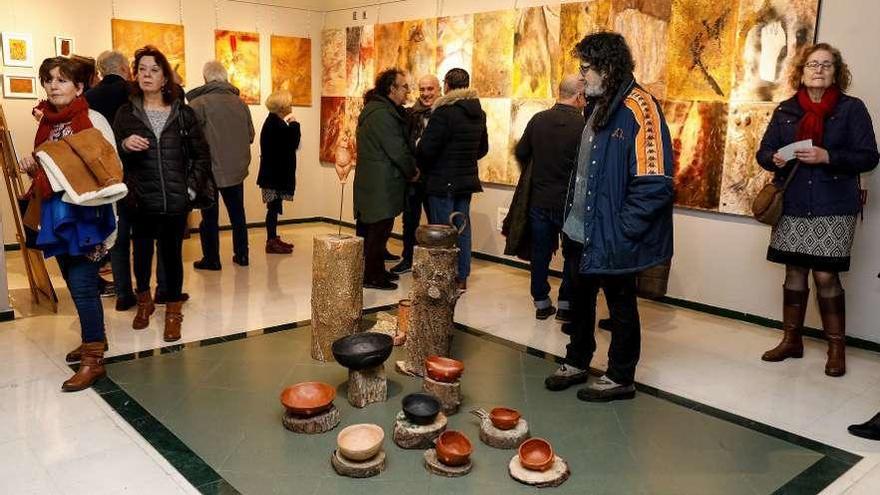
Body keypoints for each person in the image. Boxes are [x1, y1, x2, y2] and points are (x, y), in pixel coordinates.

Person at [543, 32, 674, 402]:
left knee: (620, 307)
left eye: (586, 68)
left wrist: (622, 230)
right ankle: (577, 360)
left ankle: (620, 376)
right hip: (581, 230)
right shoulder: (596, 106)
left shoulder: (641, 108)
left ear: (608, 67)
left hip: (612, 234)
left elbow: (655, 183)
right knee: (579, 301)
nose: (581, 76)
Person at [757, 43, 878, 377]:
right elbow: (763, 152)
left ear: (836, 72)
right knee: (794, 271)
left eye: (827, 64)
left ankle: (836, 349)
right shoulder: (785, 110)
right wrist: (774, 158)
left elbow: (869, 157)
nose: (819, 70)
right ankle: (791, 341)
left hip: (834, 203)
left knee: (826, 274)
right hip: (793, 202)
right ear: (801, 71)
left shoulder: (852, 109)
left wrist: (829, 157)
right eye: (813, 64)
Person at [20, 57, 123, 391]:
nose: (53, 85)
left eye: (62, 80)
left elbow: (110, 168)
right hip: (57, 215)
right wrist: (32, 166)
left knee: (81, 284)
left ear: (79, 87)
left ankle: (94, 360)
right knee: (74, 281)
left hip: (87, 217)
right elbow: (52, 168)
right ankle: (95, 340)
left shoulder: (91, 120)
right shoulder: (47, 123)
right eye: (49, 80)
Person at [113, 45, 213, 342]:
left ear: (165, 78)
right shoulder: (126, 112)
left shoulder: (183, 113)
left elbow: (201, 155)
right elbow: (109, 154)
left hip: (174, 200)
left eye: (154, 70)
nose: (147, 75)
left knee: (171, 258)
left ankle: (172, 312)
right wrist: (123, 145)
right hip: (139, 199)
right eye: (142, 69)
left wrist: (190, 188)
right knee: (141, 255)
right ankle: (144, 304)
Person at [506, 75, 586, 321]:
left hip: (539, 199)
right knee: (572, 254)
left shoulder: (538, 120)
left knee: (540, 253)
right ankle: (565, 305)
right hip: (570, 204)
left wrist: (534, 172)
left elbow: (520, 152)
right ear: (579, 95)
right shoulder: (584, 126)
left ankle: (541, 302)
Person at [416, 68, 489, 291]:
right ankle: (461, 277)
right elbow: (483, 148)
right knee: (462, 228)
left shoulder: (444, 112)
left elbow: (426, 150)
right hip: (465, 182)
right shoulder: (478, 112)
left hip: (441, 182)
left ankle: (443, 277)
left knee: (442, 233)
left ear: (446, 85)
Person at [84, 50, 142, 310]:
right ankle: (145, 290)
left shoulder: (89, 97)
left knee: (117, 233)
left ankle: (122, 292)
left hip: (105, 172)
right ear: (123, 67)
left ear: (101, 70)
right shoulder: (134, 91)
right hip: (137, 168)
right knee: (143, 234)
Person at [353, 68, 418, 290]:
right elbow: (396, 149)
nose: (407, 91)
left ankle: (376, 271)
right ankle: (372, 276)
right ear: (391, 89)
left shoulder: (379, 110)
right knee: (377, 232)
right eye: (404, 86)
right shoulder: (382, 114)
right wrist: (412, 170)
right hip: (381, 183)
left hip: (376, 182)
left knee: (375, 231)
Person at [187, 60, 255, 269]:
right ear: (225, 78)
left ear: (206, 78)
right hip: (236, 169)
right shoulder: (240, 104)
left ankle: (212, 259)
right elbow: (251, 135)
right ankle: (242, 255)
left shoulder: (198, 104)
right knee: (238, 214)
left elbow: (190, 139)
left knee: (209, 218)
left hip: (209, 171)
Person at [390, 74, 440, 275]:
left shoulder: (444, 113)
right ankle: (408, 258)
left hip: (435, 178)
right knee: (410, 220)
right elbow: (404, 144)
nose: (426, 94)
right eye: (422, 89)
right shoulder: (410, 114)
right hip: (413, 177)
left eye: (430, 89)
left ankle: (435, 264)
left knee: (436, 223)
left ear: (439, 90)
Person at [257, 90, 300, 254]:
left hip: (272, 175)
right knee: (273, 207)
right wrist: (295, 124)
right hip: (273, 176)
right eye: (289, 103)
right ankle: (271, 240)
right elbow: (293, 142)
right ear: (282, 107)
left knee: (273, 207)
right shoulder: (276, 125)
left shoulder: (274, 123)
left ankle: (273, 238)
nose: (291, 106)